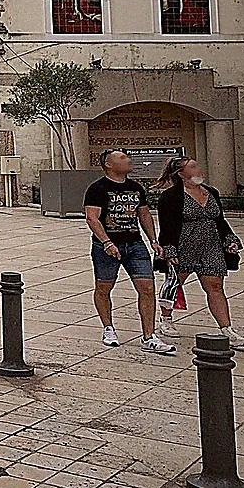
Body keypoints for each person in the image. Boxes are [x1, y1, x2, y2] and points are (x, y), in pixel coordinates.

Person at [155, 158, 244, 349]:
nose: (198, 169)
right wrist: (169, 250)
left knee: (215, 286)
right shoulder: (170, 197)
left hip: (211, 245)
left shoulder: (211, 192)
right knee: (175, 283)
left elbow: (220, 220)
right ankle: (165, 319)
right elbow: (167, 227)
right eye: (192, 167)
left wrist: (230, 239)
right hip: (184, 245)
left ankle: (227, 330)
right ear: (181, 174)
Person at [84, 149, 174, 354]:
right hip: (106, 247)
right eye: (123, 158)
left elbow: (144, 214)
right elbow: (92, 218)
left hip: (135, 244)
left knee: (147, 288)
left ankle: (149, 336)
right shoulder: (97, 188)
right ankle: (108, 327)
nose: (128, 160)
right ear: (108, 164)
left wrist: (153, 240)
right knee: (104, 287)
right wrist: (106, 242)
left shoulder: (136, 188)